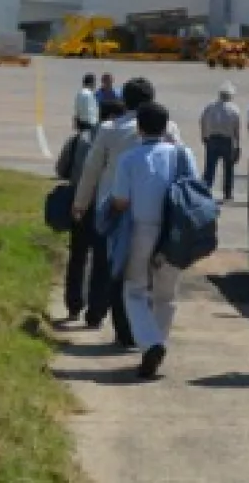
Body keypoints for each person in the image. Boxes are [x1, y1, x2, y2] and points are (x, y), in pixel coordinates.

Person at [74, 77, 181, 347]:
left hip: (116, 210)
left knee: (115, 270)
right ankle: (149, 334)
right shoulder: (169, 128)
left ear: (125, 101)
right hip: (159, 209)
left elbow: (91, 169)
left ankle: (121, 328)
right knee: (153, 277)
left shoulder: (110, 129)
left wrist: (80, 203)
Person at [108, 101, 195, 379]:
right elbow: (194, 189)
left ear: (139, 128)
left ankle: (151, 343)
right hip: (175, 230)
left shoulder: (129, 159)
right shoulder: (181, 154)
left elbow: (121, 200)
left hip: (141, 229)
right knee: (166, 294)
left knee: (134, 289)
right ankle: (157, 342)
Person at [58, 98, 125, 323]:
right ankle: (96, 312)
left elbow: (61, 168)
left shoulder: (80, 139)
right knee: (101, 262)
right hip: (105, 207)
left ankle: (73, 304)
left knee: (77, 256)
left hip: (80, 204)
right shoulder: (120, 141)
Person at [199, 82, 242, 201]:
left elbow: (202, 121)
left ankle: (205, 189)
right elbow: (236, 128)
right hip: (227, 140)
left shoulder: (210, 107)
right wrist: (238, 145)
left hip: (212, 138)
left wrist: (204, 136)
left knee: (210, 167)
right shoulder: (234, 109)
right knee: (228, 168)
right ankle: (227, 193)